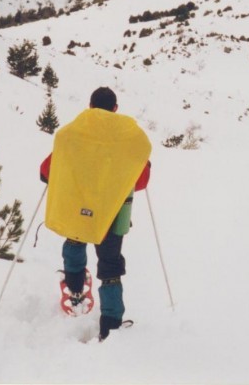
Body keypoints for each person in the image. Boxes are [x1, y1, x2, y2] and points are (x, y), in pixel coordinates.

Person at [40, 86, 151, 341]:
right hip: (111, 214)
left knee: (74, 240)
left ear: (90, 107)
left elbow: (46, 171)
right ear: (115, 109)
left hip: (76, 208)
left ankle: (75, 290)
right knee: (111, 264)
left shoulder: (71, 134)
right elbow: (141, 181)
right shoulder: (131, 139)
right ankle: (111, 325)